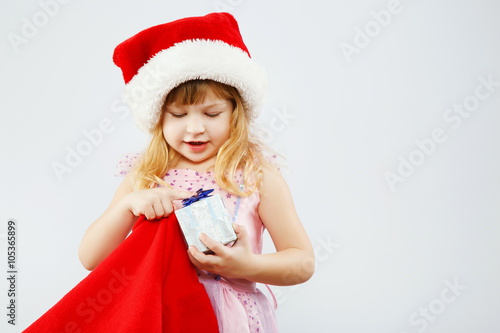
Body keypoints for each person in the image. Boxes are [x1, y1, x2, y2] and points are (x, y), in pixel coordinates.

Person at [78, 12, 314, 332]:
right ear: (159, 118)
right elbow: (91, 258)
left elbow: (302, 262)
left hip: (232, 320)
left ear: (235, 112)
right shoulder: (145, 176)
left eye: (211, 112)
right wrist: (126, 206)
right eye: (178, 114)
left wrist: (248, 265)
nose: (194, 128)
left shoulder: (256, 175)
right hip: (164, 317)